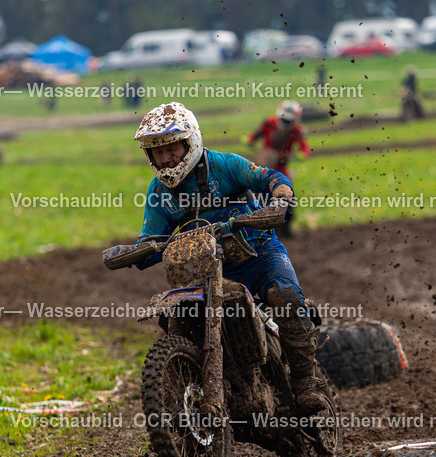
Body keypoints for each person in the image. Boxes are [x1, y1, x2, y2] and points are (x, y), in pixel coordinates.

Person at [133, 102, 330, 416]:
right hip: (204, 271)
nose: (167, 157)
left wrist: (280, 196)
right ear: (150, 156)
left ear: (190, 142)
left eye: (172, 149)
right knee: (173, 315)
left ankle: (305, 382)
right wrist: (137, 251)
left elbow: (269, 176)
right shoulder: (158, 193)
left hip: (258, 254)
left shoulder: (223, 165)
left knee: (285, 295)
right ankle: (189, 383)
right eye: (159, 152)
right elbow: (151, 238)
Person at [246, 101, 310, 177]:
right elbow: (258, 133)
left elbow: (304, 147)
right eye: (284, 119)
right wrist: (250, 140)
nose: (285, 123)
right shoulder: (269, 122)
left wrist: (301, 155)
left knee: (285, 182)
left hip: (281, 164)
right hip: (264, 161)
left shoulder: (297, 130)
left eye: (289, 121)